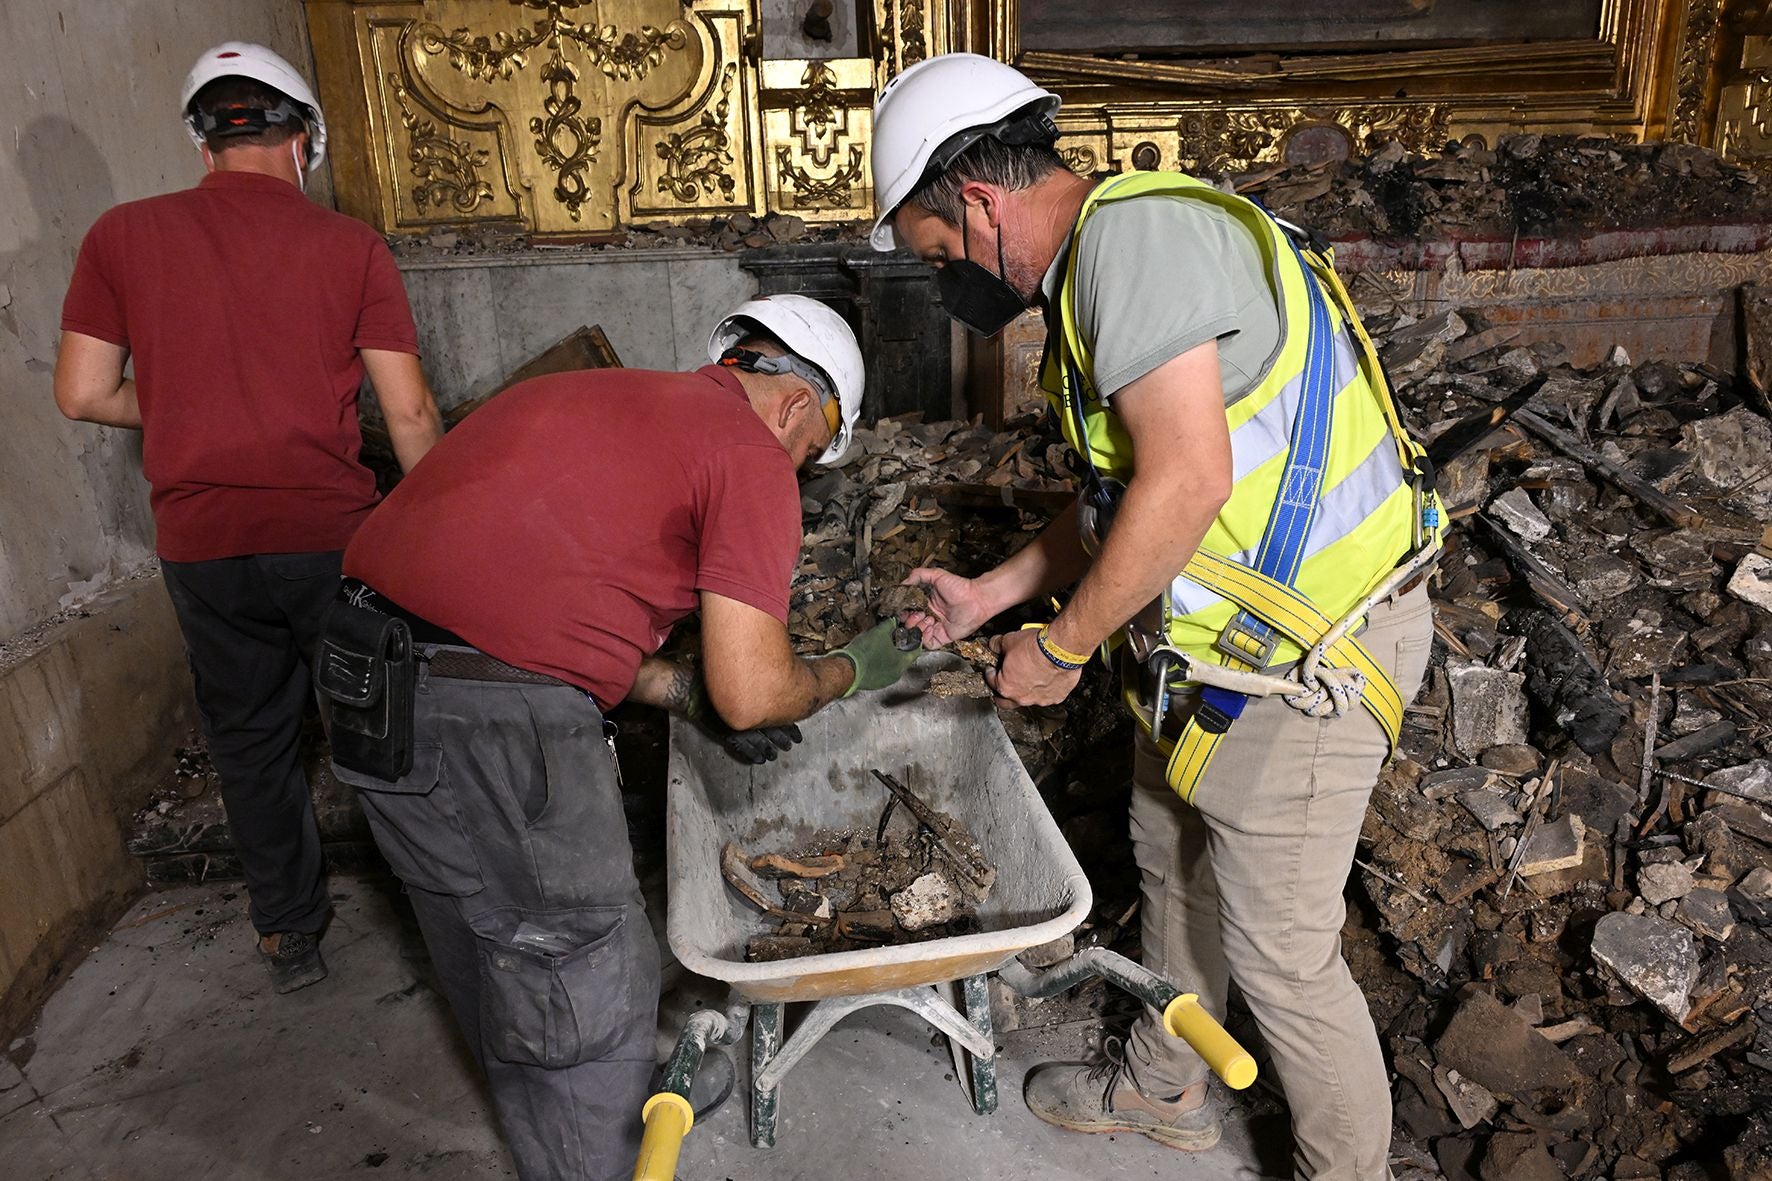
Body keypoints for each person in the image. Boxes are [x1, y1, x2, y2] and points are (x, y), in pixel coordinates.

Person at [870, 53, 1443, 1180]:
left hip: (1308, 660)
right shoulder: (1108, 257)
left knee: (1283, 960)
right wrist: (994, 594)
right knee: (1174, 869)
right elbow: (1128, 497)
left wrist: (1062, 646)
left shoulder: (1135, 244)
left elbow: (1185, 482)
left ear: (979, 202)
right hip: (1219, 657)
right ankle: (1163, 1086)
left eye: (938, 254)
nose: (948, 283)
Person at [325, 293, 924, 1181]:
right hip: (491, 722)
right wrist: (847, 667)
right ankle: (597, 1149)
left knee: (487, 936)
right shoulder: (749, 454)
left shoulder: (574, 396)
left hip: (361, 678)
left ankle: (593, 1104)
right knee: (582, 962)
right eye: (811, 451)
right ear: (798, 404)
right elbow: (756, 691)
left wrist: (682, 690)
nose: (798, 470)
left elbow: (539, 614)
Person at [54, 42, 443, 994]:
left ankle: (289, 935)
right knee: (379, 730)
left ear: (205, 144)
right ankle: (441, 917)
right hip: (330, 542)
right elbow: (408, 415)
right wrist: (443, 535)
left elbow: (82, 392)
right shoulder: (350, 246)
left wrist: (190, 408)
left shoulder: (120, 235)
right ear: (302, 140)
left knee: (250, 742)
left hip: (203, 549)